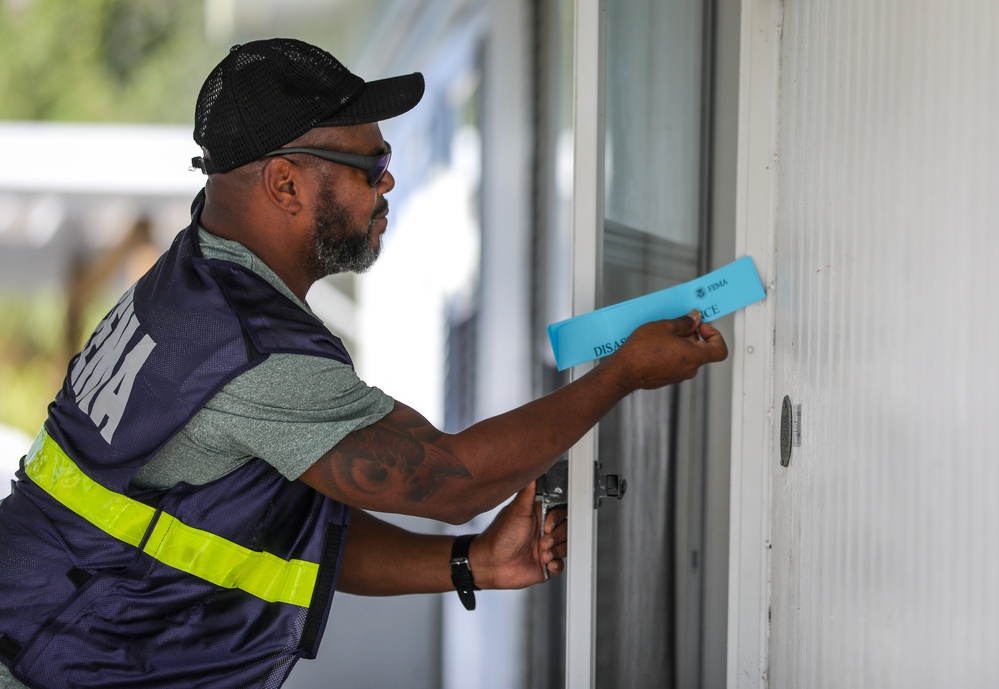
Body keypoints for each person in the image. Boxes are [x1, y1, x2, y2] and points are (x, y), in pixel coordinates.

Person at [0, 38, 728, 689]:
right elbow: (452, 479)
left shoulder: (194, 283)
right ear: (284, 184)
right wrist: (621, 372)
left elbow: (266, 538)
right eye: (369, 165)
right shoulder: (250, 349)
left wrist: (472, 562)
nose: (386, 185)